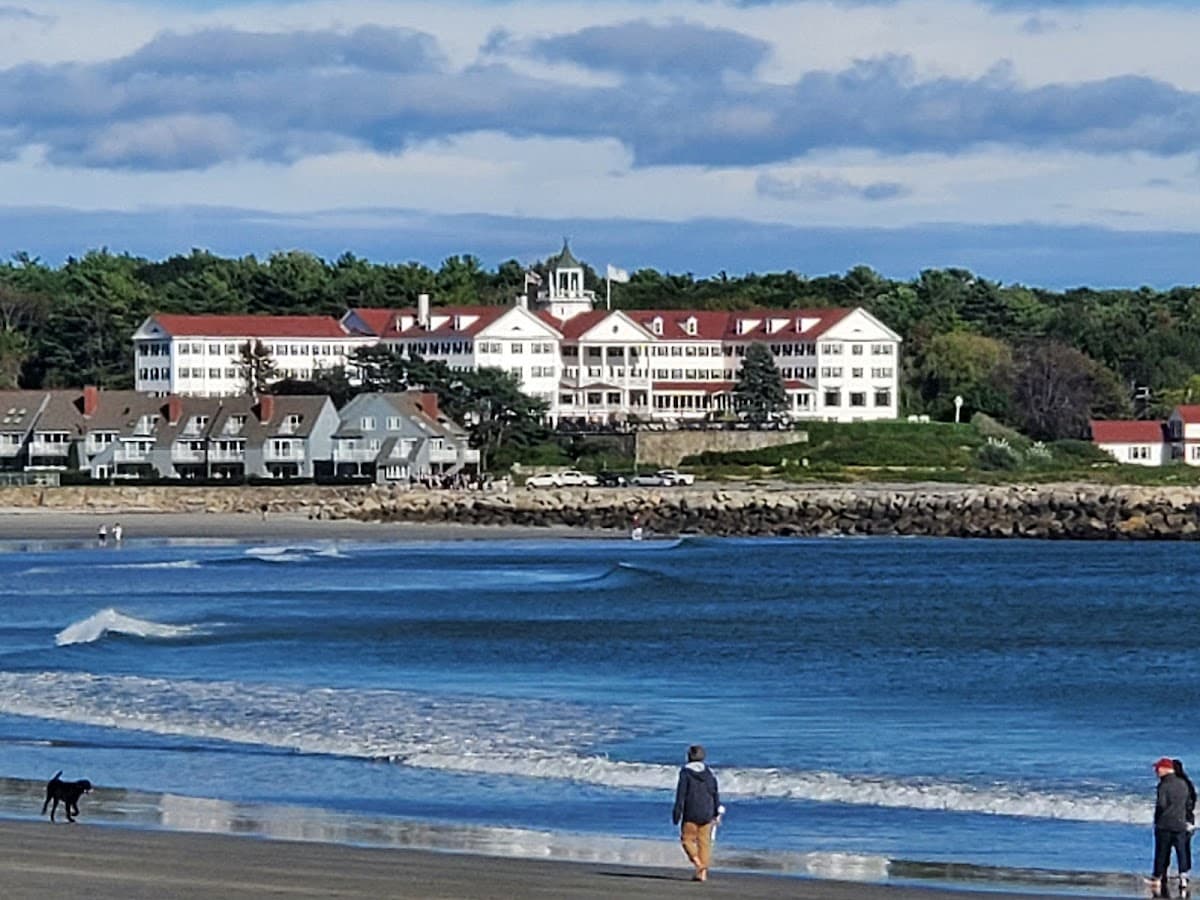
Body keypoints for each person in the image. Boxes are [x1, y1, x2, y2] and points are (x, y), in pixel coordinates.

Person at [671, 744, 721, 882]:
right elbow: (714, 793)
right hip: (707, 811)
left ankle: (698, 864)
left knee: (687, 839)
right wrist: (716, 812)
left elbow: (681, 795)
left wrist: (677, 813)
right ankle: (702, 872)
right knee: (704, 843)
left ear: (688, 757)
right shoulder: (709, 773)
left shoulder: (686, 773)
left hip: (691, 812)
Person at [1152, 756, 1192, 895]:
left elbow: (1161, 804)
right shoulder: (1183, 783)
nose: (1156, 772)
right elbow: (1189, 803)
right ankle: (1183, 878)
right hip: (1180, 824)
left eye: (1158, 769)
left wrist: (1156, 820)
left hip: (1165, 824)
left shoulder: (1164, 785)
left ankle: (1157, 878)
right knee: (1182, 852)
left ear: (1165, 769)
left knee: (1162, 853)